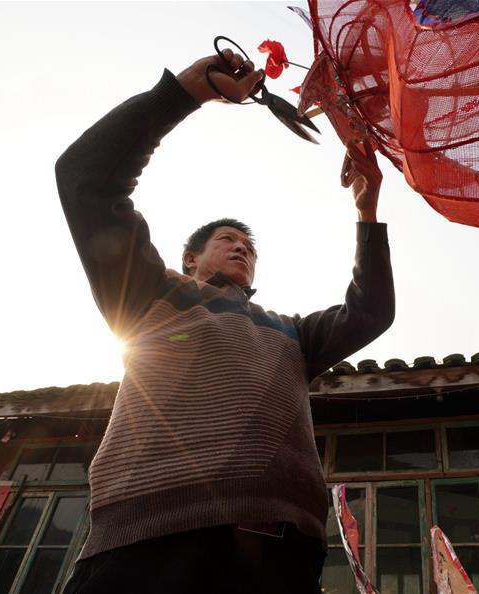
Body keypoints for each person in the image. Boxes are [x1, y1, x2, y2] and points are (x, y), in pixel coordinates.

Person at [55, 50, 394, 593]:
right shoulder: (148, 293)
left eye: (249, 245)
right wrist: (180, 95)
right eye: (227, 240)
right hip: (149, 549)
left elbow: (371, 311)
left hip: (282, 558)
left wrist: (367, 212)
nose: (242, 248)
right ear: (191, 259)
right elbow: (85, 179)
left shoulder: (291, 334)